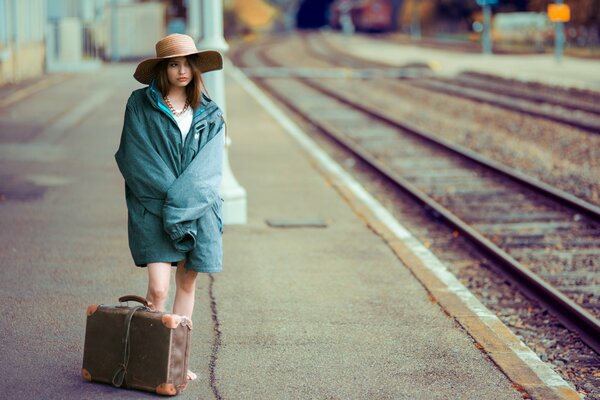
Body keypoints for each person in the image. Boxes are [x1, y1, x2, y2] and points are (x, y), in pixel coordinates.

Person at [115, 34, 225, 381]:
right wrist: (172, 204)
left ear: (195, 68)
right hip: (153, 208)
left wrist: (184, 205)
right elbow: (136, 160)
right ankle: (151, 357)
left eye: (187, 64)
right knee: (159, 289)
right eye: (174, 64)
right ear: (162, 69)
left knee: (187, 285)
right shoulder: (139, 105)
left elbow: (208, 171)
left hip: (200, 211)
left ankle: (176, 361)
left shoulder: (210, 113)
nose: (182, 71)